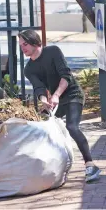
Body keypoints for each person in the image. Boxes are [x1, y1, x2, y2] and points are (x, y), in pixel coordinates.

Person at [18, 29, 101, 183]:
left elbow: (66, 75)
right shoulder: (28, 69)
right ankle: (46, 168)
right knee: (40, 128)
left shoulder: (53, 51)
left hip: (72, 95)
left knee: (72, 127)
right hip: (56, 102)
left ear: (35, 42)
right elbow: (39, 88)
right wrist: (44, 99)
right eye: (21, 45)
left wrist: (56, 94)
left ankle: (90, 165)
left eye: (25, 44)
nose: (23, 48)